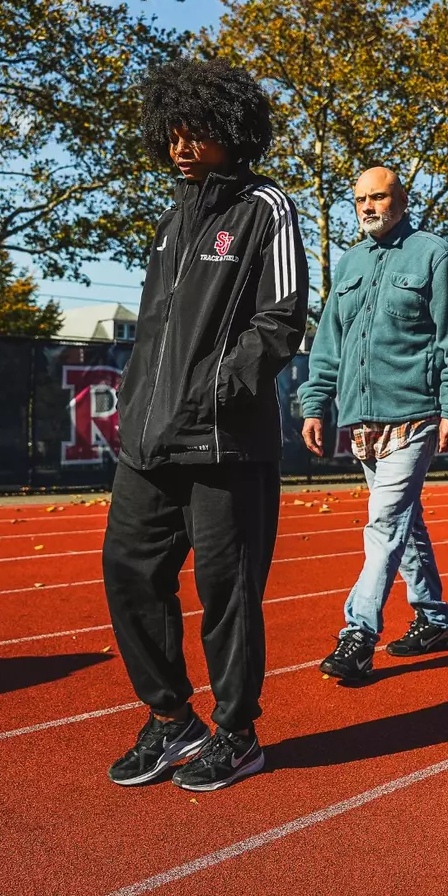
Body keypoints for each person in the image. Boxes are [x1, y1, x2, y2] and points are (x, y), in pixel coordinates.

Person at [102, 58, 307, 792]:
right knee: (128, 574)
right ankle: (170, 721)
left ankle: (236, 732)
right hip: (148, 443)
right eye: (174, 132)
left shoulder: (265, 208)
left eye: (200, 131)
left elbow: (282, 319)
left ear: (235, 131)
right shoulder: (169, 220)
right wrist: (132, 409)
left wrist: (220, 388)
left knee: (228, 593)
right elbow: (155, 336)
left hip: (225, 444)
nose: (184, 146)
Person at [298, 166, 448, 682]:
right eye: (359, 199)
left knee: (384, 522)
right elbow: (329, 345)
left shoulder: (433, 254)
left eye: (377, 197)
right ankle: (432, 617)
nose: (366, 207)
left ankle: (358, 633)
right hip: (362, 421)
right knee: (405, 521)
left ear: (401, 200)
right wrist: (314, 404)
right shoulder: (350, 263)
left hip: (416, 414)